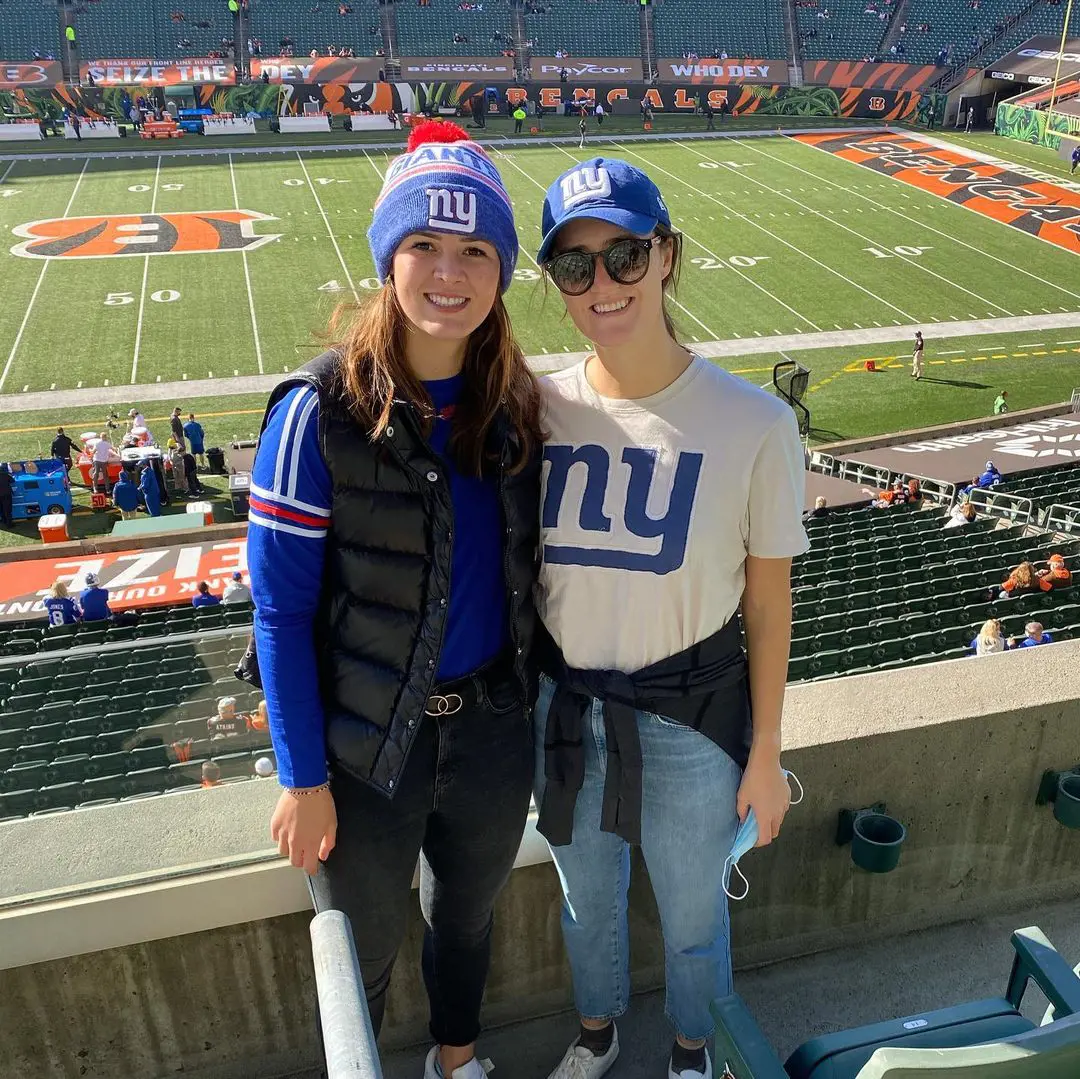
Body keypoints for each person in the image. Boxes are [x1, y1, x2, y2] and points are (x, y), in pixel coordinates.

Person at [248, 120, 543, 1079]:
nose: (448, 272)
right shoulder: (316, 413)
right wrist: (301, 775)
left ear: (501, 270)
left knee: (467, 920)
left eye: (474, 250)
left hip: (492, 726)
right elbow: (281, 611)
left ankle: (456, 1061)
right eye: (424, 243)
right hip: (366, 746)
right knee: (365, 951)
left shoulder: (516, 402)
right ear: (388, 256)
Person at [533, 157, 808, 1079]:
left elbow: (769, 603)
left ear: (667, 257)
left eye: (623, 254)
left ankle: (695, 1050)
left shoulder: (755, 422)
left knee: (695, 915)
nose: (601, 283)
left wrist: (766, 751)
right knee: (585, 906)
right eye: (575, 266)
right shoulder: (536, 407)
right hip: (566, 711)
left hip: (691, 722)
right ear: (555, 284)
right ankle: (598, 1031)